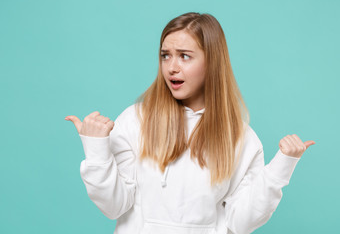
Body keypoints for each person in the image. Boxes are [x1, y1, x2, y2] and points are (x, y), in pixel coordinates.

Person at [65, 12, 315, 234]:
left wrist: (281, 168)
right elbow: (113, 206)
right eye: (165, 56)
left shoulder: (240, 137)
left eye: (184, 56)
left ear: (212, 63)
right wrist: (97, 150)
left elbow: (242, 222)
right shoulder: (135, 120)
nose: (172, 67)